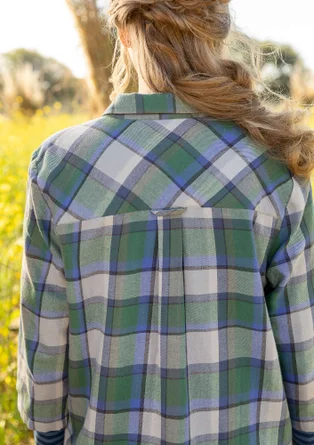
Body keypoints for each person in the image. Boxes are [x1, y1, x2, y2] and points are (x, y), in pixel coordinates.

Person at [16, 0, 314, 444]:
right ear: (217, 31)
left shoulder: (60, 165)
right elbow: (303, 350)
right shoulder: (273, 164)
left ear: (126, 35)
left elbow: (44, 355)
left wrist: (48, 433)